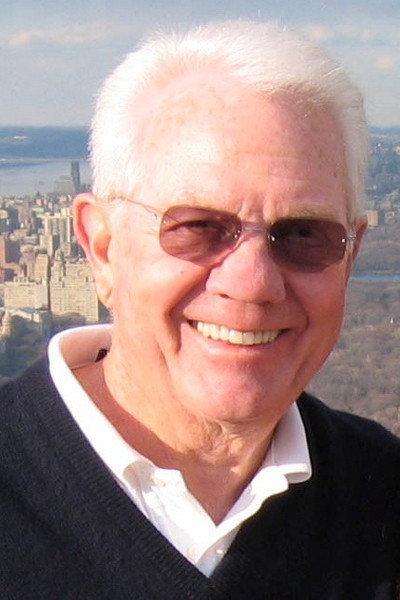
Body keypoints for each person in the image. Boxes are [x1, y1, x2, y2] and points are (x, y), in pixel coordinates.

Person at [1, 21, 399, 600]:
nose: (253, 283)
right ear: (102, 247)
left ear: (351, 255)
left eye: (303, 234)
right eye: (197, 227)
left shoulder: (382, 495)